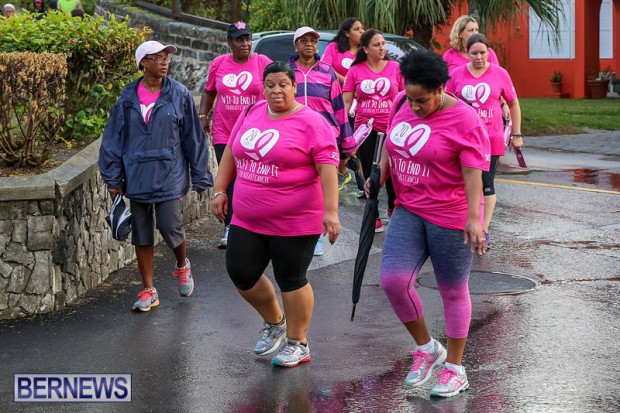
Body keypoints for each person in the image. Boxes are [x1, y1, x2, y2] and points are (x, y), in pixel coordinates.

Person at [376, 48, 490, 398]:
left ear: (440, 89)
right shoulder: (401, 102)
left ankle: (455, 369)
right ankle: (427, 348)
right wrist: (380, 173)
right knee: (393, 280)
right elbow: (390, 139)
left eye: (422, 100)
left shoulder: (465, 120)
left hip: (451, 214)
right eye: (410, 98)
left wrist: (475, 220)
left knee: (452, 290)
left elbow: (473, 173)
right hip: (409, 208)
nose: (414, 106)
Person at [211, 61, 340, 368]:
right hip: (247, 217)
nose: (276, 90)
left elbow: (327, 167)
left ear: (294, 86)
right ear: (263, 88)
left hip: (296, 220)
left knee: (291, 279)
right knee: (241, 272)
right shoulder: (251, 112)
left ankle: (298, 343)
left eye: (283, 84)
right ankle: (275, 323)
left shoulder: (312, 122)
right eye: (270, 85)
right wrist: (219, 189)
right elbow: (231, 151)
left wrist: (331, 212)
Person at [99, 41, 213, 312]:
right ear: (143, 63)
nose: (164, 62)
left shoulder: (179, 94)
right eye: (157, 58)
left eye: (166, 58)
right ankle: (149, 290)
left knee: (169, 225)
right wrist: (113, 179)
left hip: (170, 174)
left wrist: (200, 177)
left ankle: (182, 265)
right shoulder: (127, 98)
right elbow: (112, 140)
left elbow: (194, 138)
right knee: (141, 233)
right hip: (136, 175)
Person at [446, 33, 523, 248]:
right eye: (474, 53)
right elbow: (446, 102)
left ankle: (484, 230)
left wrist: (516, 134)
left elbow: (514, 103)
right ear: (467, 53)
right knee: (463, 183)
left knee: (487, 184)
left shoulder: (500, 73)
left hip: (491, 138)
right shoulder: (456, 74)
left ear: (488, 52)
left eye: (482, 53)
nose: (479, 57)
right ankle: (463, 224)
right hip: (463, 139)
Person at [199, 21, 272, 249]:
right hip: (224, 131)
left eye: (248, 38)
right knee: (229, 178)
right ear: (230, 43)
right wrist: (203, 115)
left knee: (253, 177)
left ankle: (257, 224)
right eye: (239, 39)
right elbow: (209, 91)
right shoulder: (219, 63)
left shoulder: (263, 62)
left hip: (255, 132)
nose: (245, 43)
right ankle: (230, 227)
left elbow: (277, 88)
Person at [289, 26, 352, 256]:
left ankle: (315, 235)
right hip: (295, 139)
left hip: (326, 139)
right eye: (304, 40)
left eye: (313, 41)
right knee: (297, 187)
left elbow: (339, 108)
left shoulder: (328, 72)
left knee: (320, 190)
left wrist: (348, 141)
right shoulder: (287, 72)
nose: (309, 44)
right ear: (296, 45)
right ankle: (295, 230)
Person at [343, 28, 404, 232]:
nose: (382, 48)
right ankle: (373, 213)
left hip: (393, 127)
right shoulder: (355, 70)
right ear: (366, 49)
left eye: (383, 44)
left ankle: (393, 207)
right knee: (371, 171)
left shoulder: (395, 67)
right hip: (365, 128)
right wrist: (343, 130)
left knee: (393, 170)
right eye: (377, 44)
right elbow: (346, 101)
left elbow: (406, 97)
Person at [322, 16, 366, 197]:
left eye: (362, 28)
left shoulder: (364, 51)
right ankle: (339, 172)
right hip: (336, 102)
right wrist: (348, 83)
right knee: (338, 140)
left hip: (358, 104)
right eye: (357, 29)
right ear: (347, 33)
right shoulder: (334, 48)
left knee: (357, 143)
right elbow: (326, 67)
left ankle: (362, 184)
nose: (361, 31)